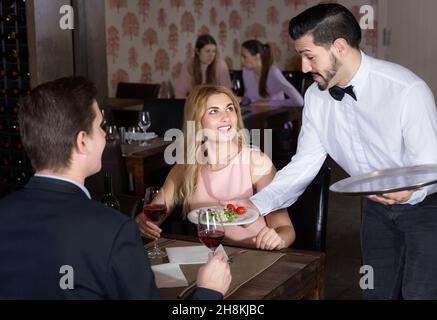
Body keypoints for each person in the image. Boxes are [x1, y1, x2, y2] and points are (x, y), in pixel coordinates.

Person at [246, 3, 437, 300]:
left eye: (309, 56)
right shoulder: (315, 97)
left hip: (427, 205)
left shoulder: (407, 90)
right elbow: (304, 164)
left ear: (339, 47)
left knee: (420, 293)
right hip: (375, 207)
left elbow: (431, 166)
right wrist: (254, 206)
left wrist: (411, 192)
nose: (304, 68)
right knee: (373, 291)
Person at [0, 77, 231, 299]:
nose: (104, 135)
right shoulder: (115, 231)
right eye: (100, 126)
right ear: (82, 142)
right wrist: (209, 291)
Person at [136, 85, 295, 250]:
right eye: (214, 111)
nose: (226, 117)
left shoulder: (256, 162)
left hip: (256, 254)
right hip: (210, 257)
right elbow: (152, 217)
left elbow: (286, 229)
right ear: (197, 123)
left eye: (229, 108)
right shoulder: (185, 168)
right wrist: (143, 223)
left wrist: (279, 238)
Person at [240, 39, 304, 107]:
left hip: (275, 115)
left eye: (244, 57)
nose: (241, 60)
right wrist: (242, 99)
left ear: (257, 56)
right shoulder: (246, 72)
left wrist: (268, 104)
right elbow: (249, 98)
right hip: (256, 115)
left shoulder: (273, 72)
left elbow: (299, 101)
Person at [175, 34, 232, 98]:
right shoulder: (189, 65)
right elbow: (179, 92)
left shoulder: (221, 65)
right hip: (194, 105)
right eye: (207, 51)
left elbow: (227, 93)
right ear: (197, 51)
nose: (211, 55)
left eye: (214, 51)